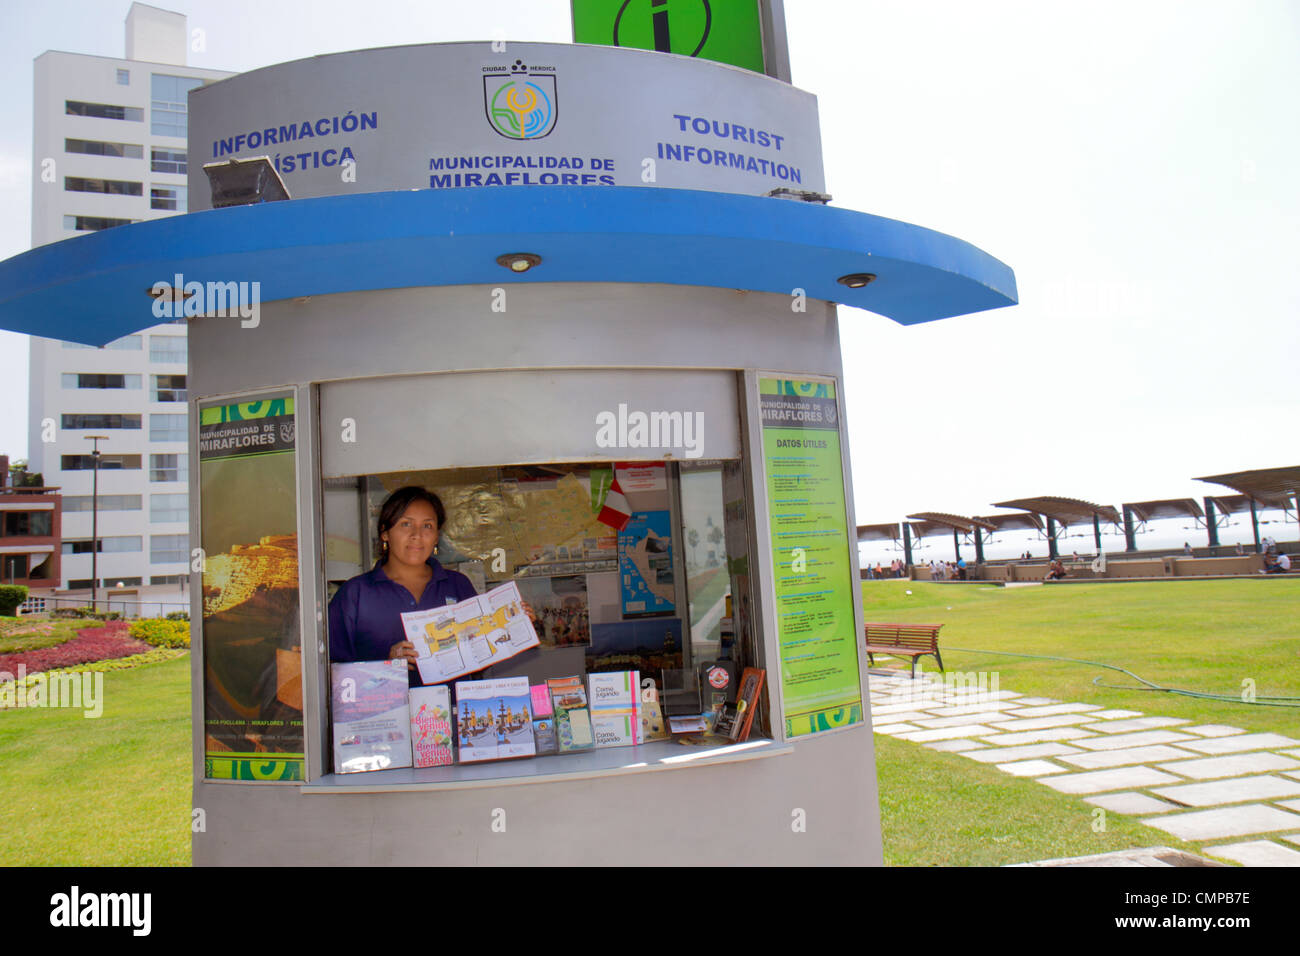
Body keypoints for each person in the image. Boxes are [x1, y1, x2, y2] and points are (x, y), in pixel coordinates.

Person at [328, 485, 532, 685]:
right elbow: (333, 675)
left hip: (451, 714)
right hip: (383, 717)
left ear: (437, 536)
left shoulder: (457, 585)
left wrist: (512, 625)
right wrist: (386, 664)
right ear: (385, 532)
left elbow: (479, 658)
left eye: (427, 526)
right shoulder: (355, 594)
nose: (417, 534)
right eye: (406, 524)